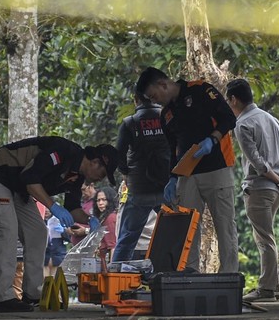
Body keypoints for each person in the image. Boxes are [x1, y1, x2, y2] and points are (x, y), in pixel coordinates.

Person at [0, 136, 117, 312]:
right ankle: (3, 298)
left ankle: (32, 293)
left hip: (17, 187)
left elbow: (72, 208)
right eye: (103, 174)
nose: (100, 180)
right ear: (95, 162)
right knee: (8, 229)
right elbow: (30, 178)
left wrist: (89, 219)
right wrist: (53, 206)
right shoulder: (62, 150)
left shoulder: (77, 176)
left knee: (38, 232)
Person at [136, 66, 239, 273]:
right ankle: (190, 272)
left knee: (225, 226)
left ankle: (229, 275)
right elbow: (173, 150)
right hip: (187, 175)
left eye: (154, 96)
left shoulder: (200, 90)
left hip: (216, 169)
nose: (155, 102)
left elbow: (229, 118)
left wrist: (212, 139)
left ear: (163, 84)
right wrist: (172, 178)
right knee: (187, 227)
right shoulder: (166, 115)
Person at [225, 79, 279, 302]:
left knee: (264, 239)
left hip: (259, 187)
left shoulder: (242, 124)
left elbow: (257, 162)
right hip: (276, 190)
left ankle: (265, 289)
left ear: (234, 99)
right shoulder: (271, 119)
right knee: (267, 237)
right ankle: (274, 288)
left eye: (229, 100)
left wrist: (277, 178)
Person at [112, 90, 170, 262]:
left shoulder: (130, 123)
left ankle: (117, 280)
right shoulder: (168, 119)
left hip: (139, 188)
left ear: (136, 100)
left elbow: (118, 155)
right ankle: (172, 275)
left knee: (127, 238)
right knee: (175, 233)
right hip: (166, 187)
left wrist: (126, 174)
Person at [93, 186, 119, 262]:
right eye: (98, 200)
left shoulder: (110, 218)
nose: (100, 203)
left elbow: (113, 246)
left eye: (104, 200)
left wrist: (112, 269)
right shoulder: (106, 217)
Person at [43, 207, 69, 277]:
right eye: (44, 207)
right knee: (45, 282)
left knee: (56, 282)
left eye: (47, 207)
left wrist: (64, 231)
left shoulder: (58, 220)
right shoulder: (39, 221)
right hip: (44, 258)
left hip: (58, 257)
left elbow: (70, 238)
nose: (46, 210)